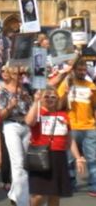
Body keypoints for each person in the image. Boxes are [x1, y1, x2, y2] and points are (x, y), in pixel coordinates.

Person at [25, 87, 87, 205]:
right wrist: (36, 102)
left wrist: (78, 157)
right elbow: (29, 122)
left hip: (59, 156)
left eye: (53, 97)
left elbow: (69, 139)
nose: (50, 99)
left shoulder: (63, 115)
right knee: (38, 196)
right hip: (40, 156)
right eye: (46, 96)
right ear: (42, 98)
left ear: (58, 99)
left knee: (55, 194)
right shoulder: (37, 112)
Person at [51, 60, 96, 197]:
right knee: (69, 158)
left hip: (90, 126)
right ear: (74, 71)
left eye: (84, 70)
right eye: (79, 70)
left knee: (92, 157)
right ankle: (70, 183)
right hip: (71, 126)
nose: (82, 72)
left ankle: (94, 184)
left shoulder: (91, 86)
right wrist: (65, 92)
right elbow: (58, 105)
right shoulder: (66, 84)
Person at [0, 66, 33, 205]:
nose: (20, 76)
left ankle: (15, 193)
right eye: (17, 73)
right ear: (11, 75)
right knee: (18, 163)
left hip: (26, 125)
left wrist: (30, 100)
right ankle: (22, 201)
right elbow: (1, 115)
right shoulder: (4, 91)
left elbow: (31, 111)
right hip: (11, 125)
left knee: (24, 163)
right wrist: (11, 106)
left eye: (22, 74)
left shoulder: (26, 89)